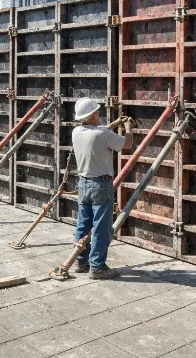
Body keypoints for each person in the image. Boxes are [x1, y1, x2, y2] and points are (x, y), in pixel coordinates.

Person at [71, 97, 133, 279]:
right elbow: (127, 144)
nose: (99, 114)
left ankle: (81, 261)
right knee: (101, 226)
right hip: (101, 185)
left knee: (83, 223)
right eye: (97, 112)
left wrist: (114, 123)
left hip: (83, 183)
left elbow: (98, 132)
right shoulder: (101, 135)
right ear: (91, 116)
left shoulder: (76, 132)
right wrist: (128, 127)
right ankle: (97, 267)